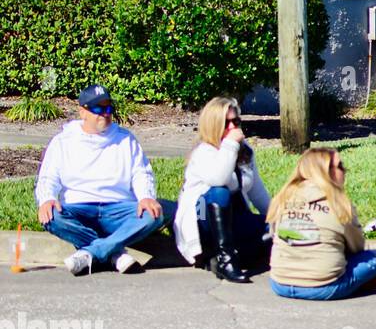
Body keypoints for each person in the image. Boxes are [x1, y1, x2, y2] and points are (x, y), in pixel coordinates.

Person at [35, 85, 166, 275]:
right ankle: (115, 253)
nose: (104, 114)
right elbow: (48, 178)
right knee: (51, 216)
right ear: (83, 112)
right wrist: (47, 198)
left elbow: (141, 173)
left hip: (118, 209)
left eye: (108, 108)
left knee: (154, 215)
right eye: (98, 109)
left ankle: (92, 252)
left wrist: (146, 196)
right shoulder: (63, 141)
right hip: (78, 208)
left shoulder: (125, 139)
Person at [265, 148, 376, 301]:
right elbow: (357, 248)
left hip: (279, 283)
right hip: (323, 288)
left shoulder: (282, 198)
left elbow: (275, 235)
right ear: (326, 172)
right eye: (341, 166)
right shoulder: (339, 205)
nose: (345, 170)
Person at [174, 97, 271, 283]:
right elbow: (219, 178)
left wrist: (276, 217)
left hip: (236, 217)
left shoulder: (245, 151)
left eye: (236, 122)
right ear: (214, 125)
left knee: (277, 231)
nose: (233, 127)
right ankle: (225, 260)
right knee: (220, 191)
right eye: (227, 123)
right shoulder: (203, 152)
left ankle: (231, 256)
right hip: (202, 218)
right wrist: (230, 144)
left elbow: (257, 192)